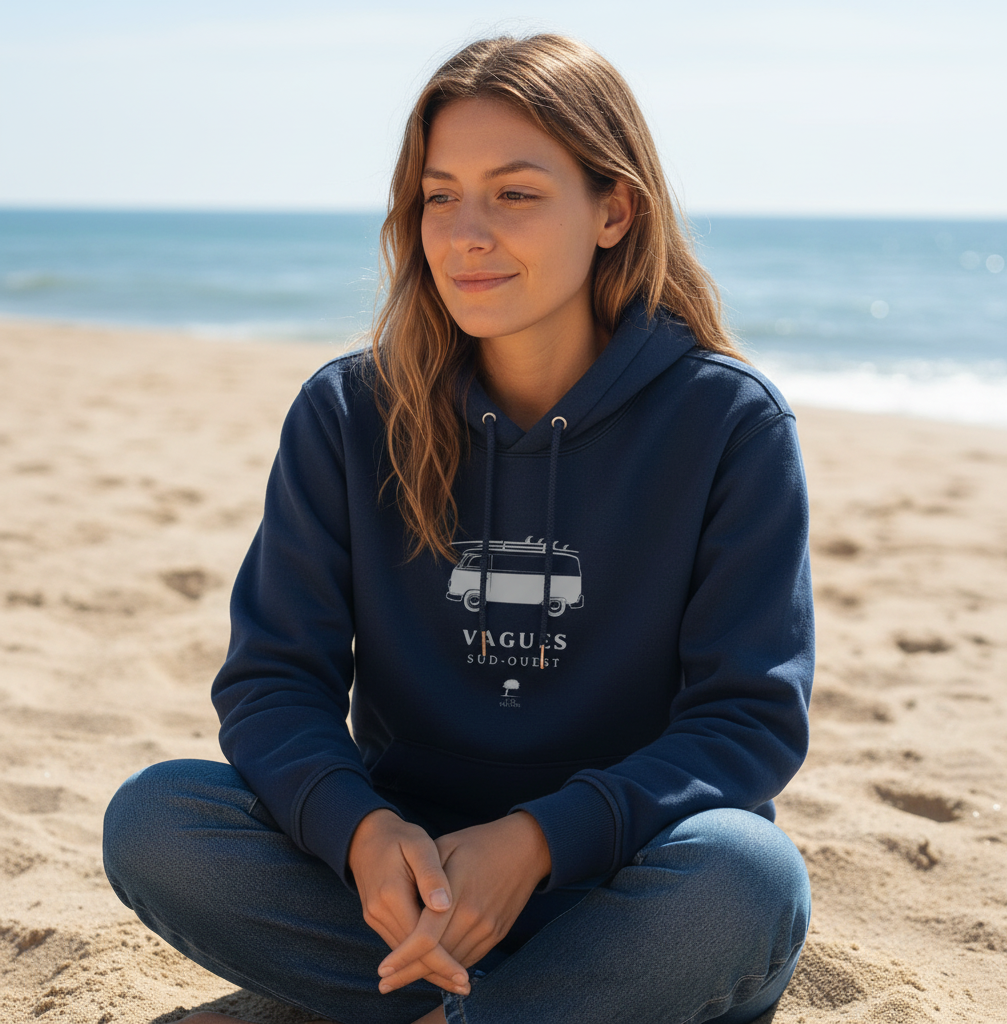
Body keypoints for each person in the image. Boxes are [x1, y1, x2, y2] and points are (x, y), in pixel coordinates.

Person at [103, 33, 813, 1024]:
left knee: (749, 878)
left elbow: (747, 724)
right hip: (398, 894)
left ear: (614, 209)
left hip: (622, 887)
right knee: (157, 819)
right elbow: (274, 682)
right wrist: (360, 833)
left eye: (514, 194)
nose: (465, 232)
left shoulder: (727, 424)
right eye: (440, 195)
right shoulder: (349, 413)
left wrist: (536, 840)